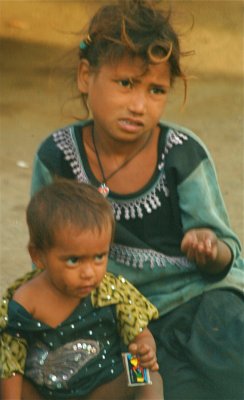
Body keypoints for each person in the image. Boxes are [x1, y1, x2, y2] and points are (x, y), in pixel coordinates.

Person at [4, 0, 244, 399]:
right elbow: (47, 253)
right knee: (99, 376)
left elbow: (228, 253)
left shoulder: (183, 153)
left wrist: (208, 246)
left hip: (193, 300)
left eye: (156, 90)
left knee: (229, 360)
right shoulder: (58, 157)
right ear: (86, 77)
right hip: (112, 314)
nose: (139, 105)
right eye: (126, 84)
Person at [0, 179, 163, 400]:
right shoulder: (23, 303)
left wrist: (145, 349)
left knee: (147, 375)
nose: (89, 272)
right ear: (38, 256)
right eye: (74, 260)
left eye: (99, 257)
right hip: (43, 394)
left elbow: (141, 335)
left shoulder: (113, 291)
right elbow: (10, 365)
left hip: (101, 389)